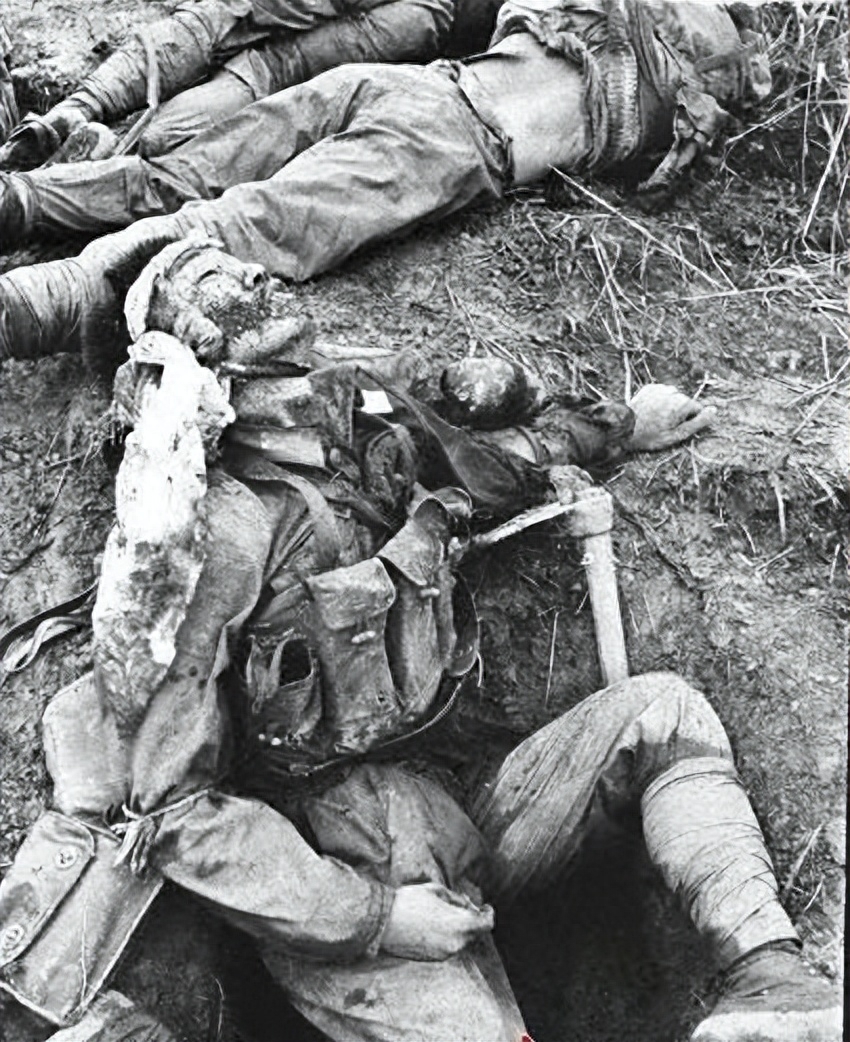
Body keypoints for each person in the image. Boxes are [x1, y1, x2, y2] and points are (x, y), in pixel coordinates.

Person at [0, 242, 840, 1042]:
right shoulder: (213, 532)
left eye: (241, 261)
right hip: (332, 866)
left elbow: (483, 462)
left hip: (453, 805)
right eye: (217, 279)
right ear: (192, 345)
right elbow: (172, 810)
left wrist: (618, 428)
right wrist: (379, 918)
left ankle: (770, 978)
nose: (254, 276)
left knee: (664, 715)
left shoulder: (353, 426)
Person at [0, 0, 772, 362]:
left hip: (416, 85)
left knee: (184, 174)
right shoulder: (676, 108)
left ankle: (21, 205)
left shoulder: (584, 16)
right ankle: (43, 303)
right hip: (453, 139)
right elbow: (647, 183)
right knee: (247, 223)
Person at [0, 0, 501, 168]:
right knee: (266, 66)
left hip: (424, 19)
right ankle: (105, 151)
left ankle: (81, 118)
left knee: (228, 21)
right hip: (427, 21)